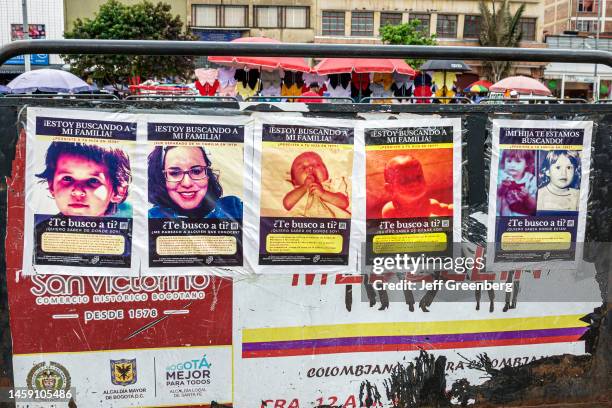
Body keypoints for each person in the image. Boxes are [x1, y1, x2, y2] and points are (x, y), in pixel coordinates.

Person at [36, 142, 131, 217]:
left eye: (93, 180)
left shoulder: (124, 237)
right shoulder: (39, 234)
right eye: (67, 178)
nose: (77, 191)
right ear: (51, 185)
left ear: (119, 191)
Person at [148, 146, 242, 219]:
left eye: (196, 171)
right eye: (175, 173)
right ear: (162, 178)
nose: (187, 183)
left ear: (208, 174)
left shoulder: (234, 208)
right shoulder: (152, 216)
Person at [381, 155, 453, 218]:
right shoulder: (390, 210)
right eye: (404, 180)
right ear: (390, 189)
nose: (414, 183)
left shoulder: (429, 205)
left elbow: (448, 210)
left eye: (418, 177)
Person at [283, 151, 350, 217]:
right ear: (294, 181)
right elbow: (287, 204)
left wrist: (323, 193)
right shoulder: (295, 191)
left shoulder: (333, 184)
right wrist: (304, 187)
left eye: (317, 165)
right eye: (302, 168)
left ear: (326, 173)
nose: (310, 168)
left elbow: (344, 203)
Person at [496, 150, 537, 216]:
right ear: (504, 162)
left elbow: (534, 207)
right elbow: (497, 195)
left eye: (518, 161)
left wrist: (527, 197)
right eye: (509, 161)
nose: (512, 165)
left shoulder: (531, 180)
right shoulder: (502, 176)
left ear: (526, 164)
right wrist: (502, 187)